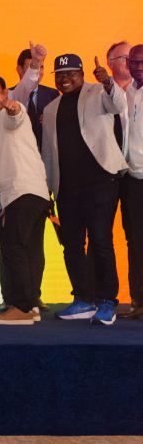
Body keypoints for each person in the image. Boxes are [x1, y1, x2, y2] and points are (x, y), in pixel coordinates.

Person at [43, 54, 128, 325]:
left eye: (71, 73)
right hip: (66, 187)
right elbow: (48, 152)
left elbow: (118, 105)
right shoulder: (51, 108)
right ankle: (83, 299)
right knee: (71, 245)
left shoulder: (98, 92)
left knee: (101, 240)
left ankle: (107, 300)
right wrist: (48, 189)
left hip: (100, 181)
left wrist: (108, 83)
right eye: (60, 74)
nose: (65, 79)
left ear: (81, 74)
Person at [0, 74, 52, 325]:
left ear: (5, 93)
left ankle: (22, 307)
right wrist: (5, 202)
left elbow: (15, 116)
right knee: (26, 250)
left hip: (25, 192)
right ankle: (30, 306)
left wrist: (12, 108)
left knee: (13, 248)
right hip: (28, 194)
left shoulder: (9, 114)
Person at [121, 44, 143, 320]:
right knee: (135, 241)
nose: (139, 67)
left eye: (142, 62)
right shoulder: (127, 92)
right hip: (131, 178)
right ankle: (138, 300)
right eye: (134, 62)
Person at [15, 47, 59, 149]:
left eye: (41, 67)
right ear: (20, 69)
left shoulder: (53, 95)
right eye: (33, 67)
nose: (37, 71)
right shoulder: (9, 96)